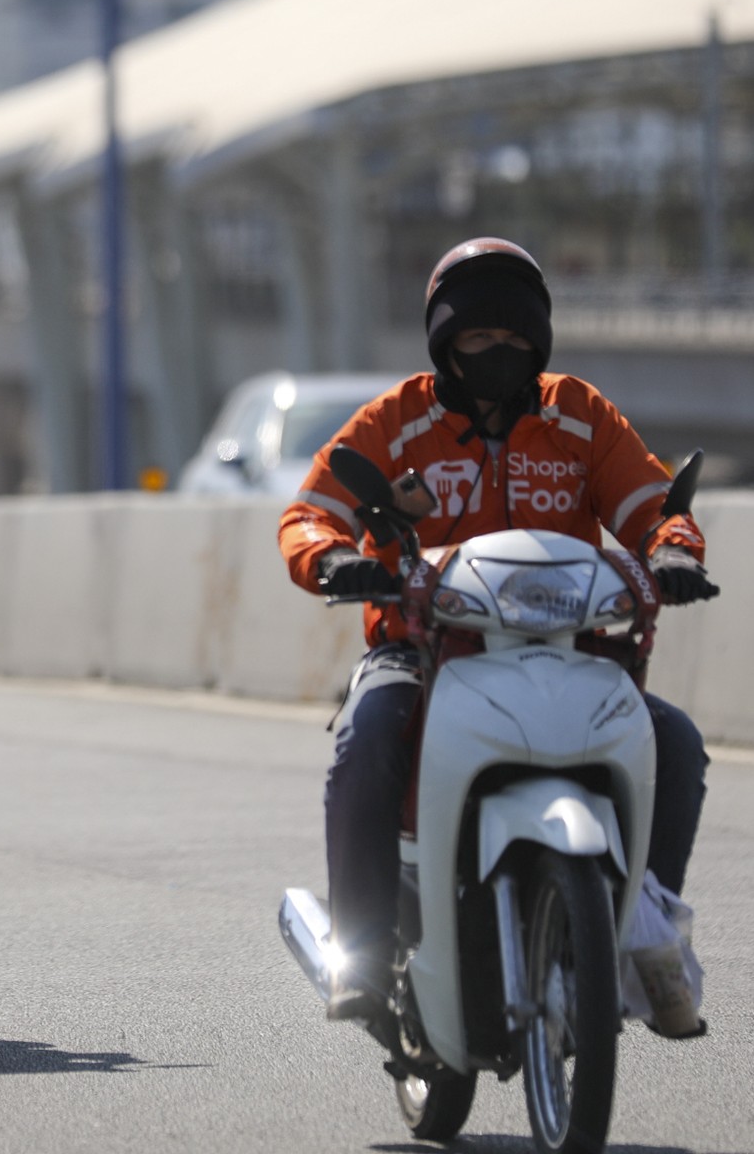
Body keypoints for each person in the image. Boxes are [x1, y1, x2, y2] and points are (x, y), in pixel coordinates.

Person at [279, 237, 715, 1020]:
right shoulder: (394, 421)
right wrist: (333, 560)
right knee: (369, 736)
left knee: (675, 743)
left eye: (515, 340)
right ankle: (365, 949)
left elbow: (655, 509)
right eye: (479, 339)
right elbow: (311, 514)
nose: (497, 353)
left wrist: (674, 552)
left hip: (570, 654)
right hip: (421, 651)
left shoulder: (581, 417)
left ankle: (649, 928)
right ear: (445, 341)